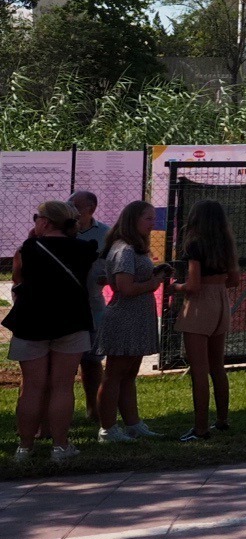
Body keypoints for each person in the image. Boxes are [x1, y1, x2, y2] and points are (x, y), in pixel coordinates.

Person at [5, 201, 98, 464]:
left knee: (32, 388)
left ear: (45, 222)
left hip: (31, 322)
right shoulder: (85, 249)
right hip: (71, 321)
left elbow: (18, 280)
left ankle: (24, 448)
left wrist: (32, 240)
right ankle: (60, 447)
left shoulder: (28, 248)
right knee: (63, 386)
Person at [94, 200, 164, 442]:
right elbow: (125, 287)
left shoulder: (135, 248)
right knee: (114, 374)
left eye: (153, 218)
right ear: (133, 220)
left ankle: (133, 424)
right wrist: (154, 284)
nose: (153, 224)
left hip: (137, 317)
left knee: (129, 374)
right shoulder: (124, 249)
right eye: (148, 219)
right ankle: (108, 429)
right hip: (124, 317)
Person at [173, 200, 240, 442]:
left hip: (201, 305)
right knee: (217, 367)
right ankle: (222, 419)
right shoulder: (227, 243)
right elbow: (234, 280)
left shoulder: (194, 244)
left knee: (199, 370)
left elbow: (193, 285)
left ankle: (200, 428)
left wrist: (175, 287)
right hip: (221, 301)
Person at [68, 191, 109, 421]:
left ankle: (94, 409)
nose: (71, 209)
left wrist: (108, 277)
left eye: (76, 206)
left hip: (94, 306)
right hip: (66, 308)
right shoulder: (62, 232)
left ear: (91, 210)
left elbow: (114, 264)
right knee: (64, 366)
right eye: (68, 204)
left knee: (93, 361)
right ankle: (58, 416)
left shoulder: (106, 234)